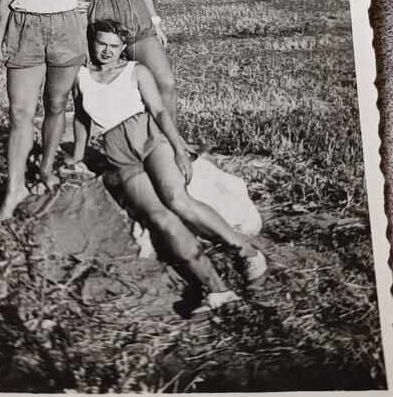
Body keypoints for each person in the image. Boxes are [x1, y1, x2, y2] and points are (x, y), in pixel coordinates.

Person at [70, 19, 267, 316]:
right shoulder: (81, 76)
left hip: (151, 140)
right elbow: (82, 119)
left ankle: (248, 252)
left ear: (123, 47)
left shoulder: (136, 71)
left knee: (177, 200)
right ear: (92, 41)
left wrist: (178, 148)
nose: (107, 51)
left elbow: (160, 110)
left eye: (114, 45)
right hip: (119, 154)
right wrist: (77, 156)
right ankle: (217, 289)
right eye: (102, 44)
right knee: (158, 217)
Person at [0, 0, 87, 221]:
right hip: (24, 33)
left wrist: (84, 43)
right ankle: (15, 188)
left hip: (66, 33)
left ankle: (45, 168)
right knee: (20, 113)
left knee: (57, 104)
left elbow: (81, 3)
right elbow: (4, 4)